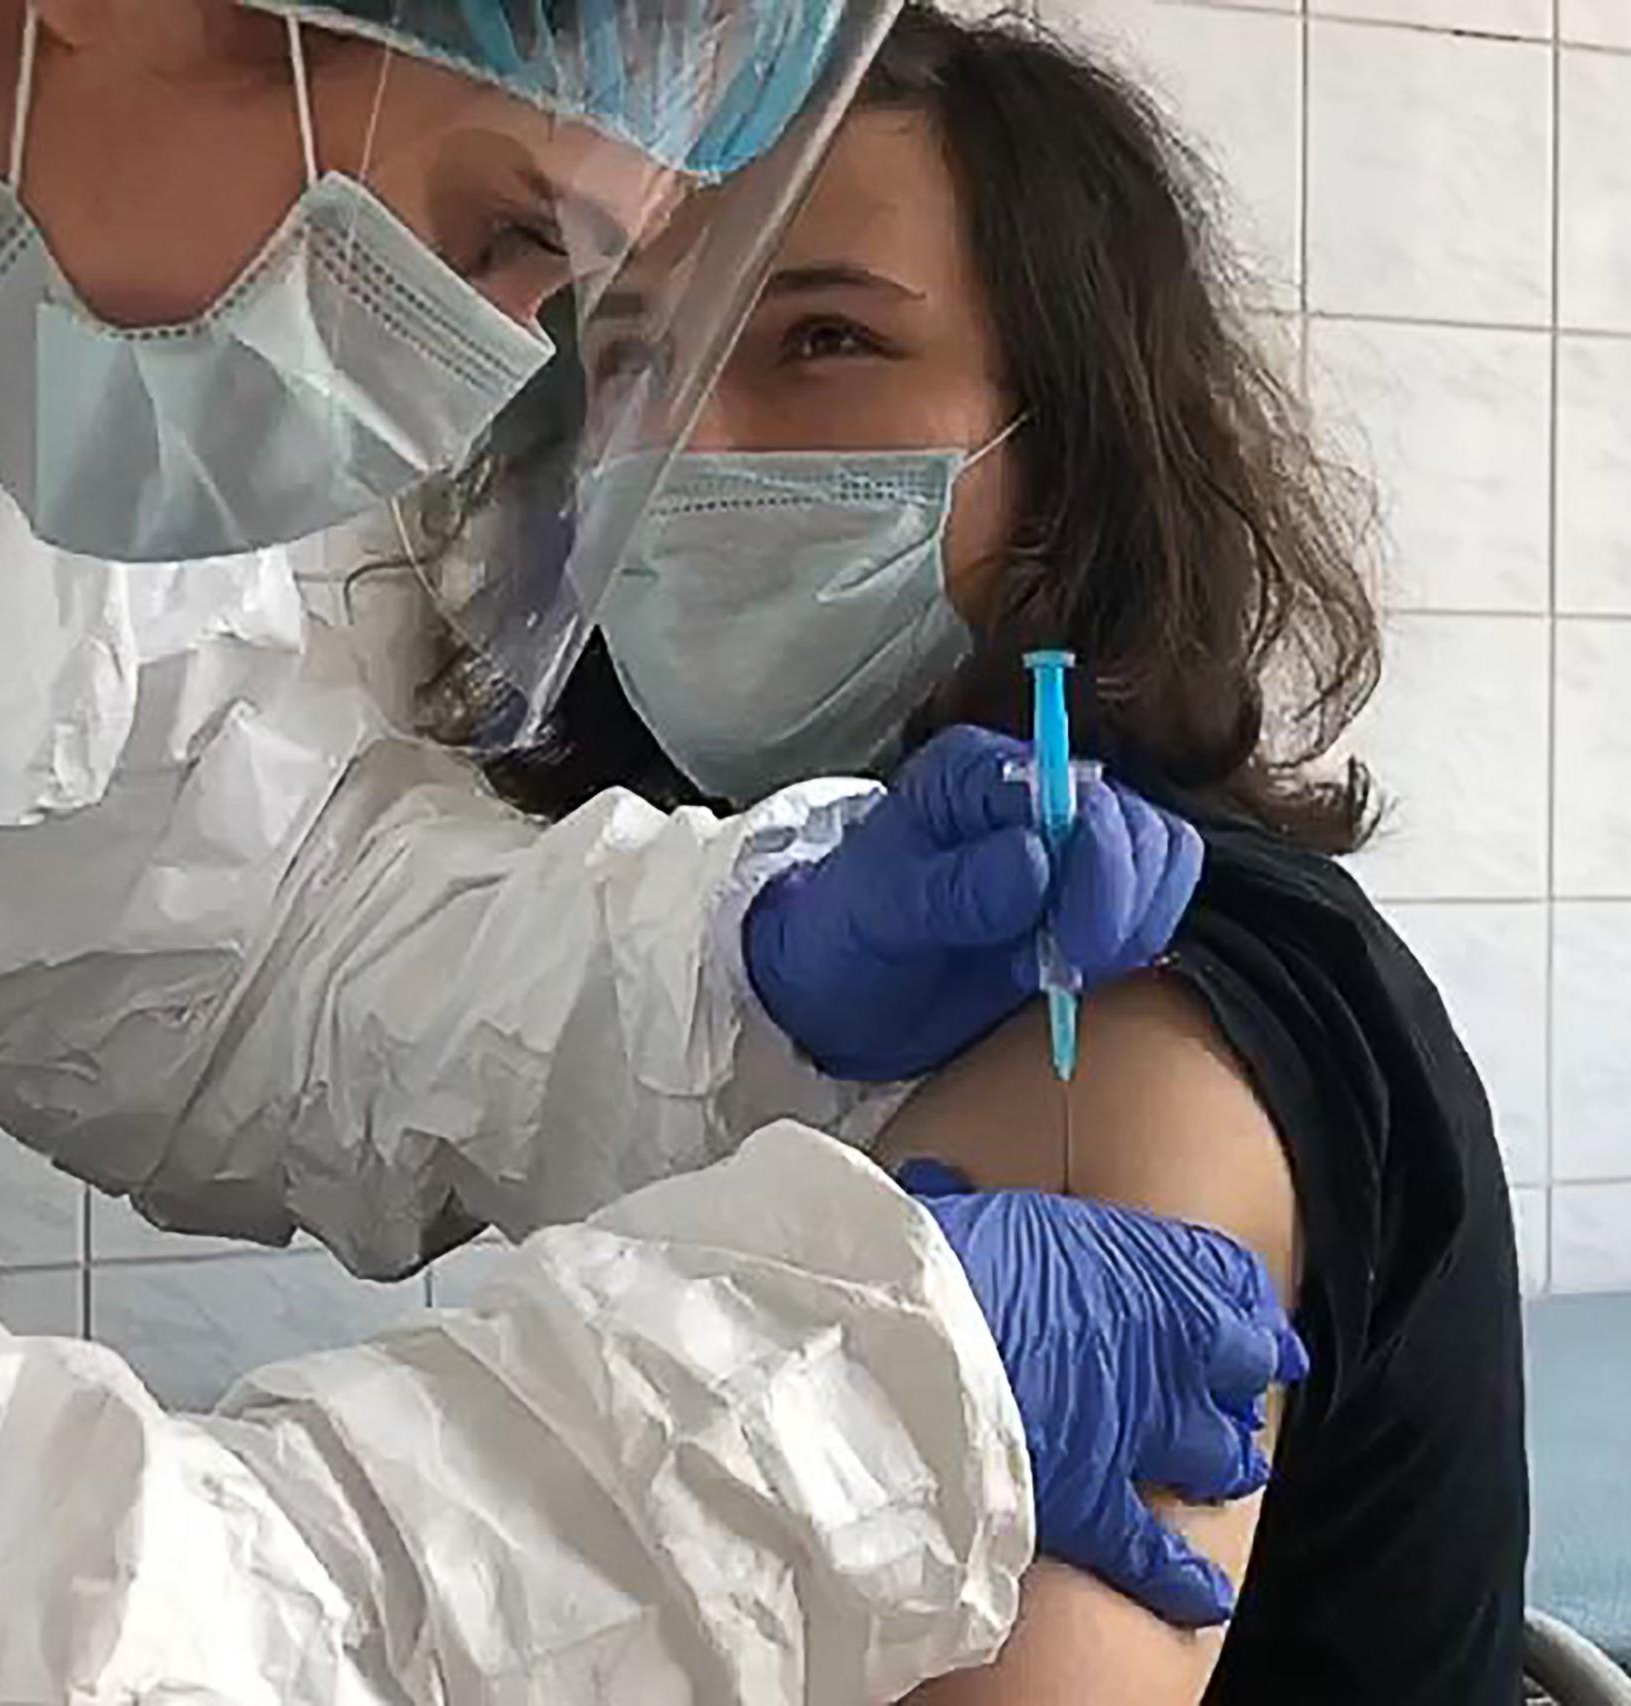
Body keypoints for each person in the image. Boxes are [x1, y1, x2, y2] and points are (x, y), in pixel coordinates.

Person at [0, 0, 1308, 1698]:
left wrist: (736, 968)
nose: (485, 372)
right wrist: (836, 1433)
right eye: (502, 232)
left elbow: (240, 927)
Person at [484, 6, 1531, 1698]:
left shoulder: (1126, 1003)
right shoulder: (719, 929)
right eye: (635, 361)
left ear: (1074, 440)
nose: (694, 447)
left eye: (823, 338)